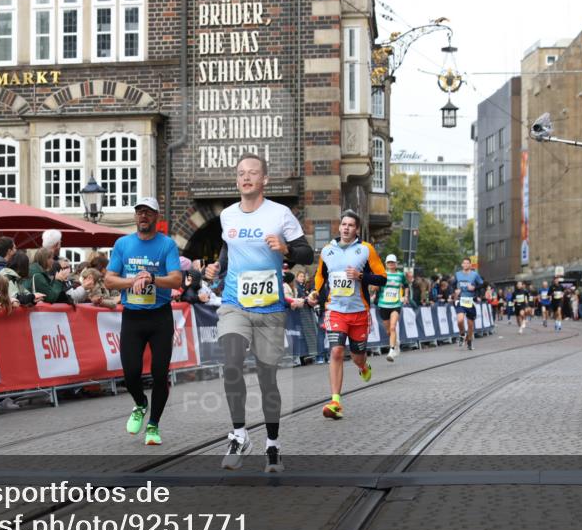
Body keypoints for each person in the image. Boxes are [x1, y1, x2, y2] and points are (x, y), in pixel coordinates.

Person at [203, 153, 314, 472]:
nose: (246, 177)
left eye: (253, 173)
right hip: (235, 303)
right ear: (236, 179)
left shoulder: (280, 214)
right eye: (241, 173)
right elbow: (228, 250)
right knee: (231, 364)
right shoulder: (227, 216)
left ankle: (273, 445)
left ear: (264, 179)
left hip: (270, 308)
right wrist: (216, 268)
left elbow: (307, 253)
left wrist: (286, 249)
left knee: (267, 378)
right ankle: (239, 435)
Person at [104, 197, 182, 446]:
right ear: (135, 216)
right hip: (133, 317)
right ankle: (140, 403)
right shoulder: (123, 244)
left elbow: (176, 280)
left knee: (159, 374)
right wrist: (134, 280)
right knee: (130, 374)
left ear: (156, 216)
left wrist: (152, 279)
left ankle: (153, 425)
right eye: (139, 212)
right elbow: (109, 280)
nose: (143, 216)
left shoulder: (167, 244)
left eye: (148, 212)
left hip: (160, 316)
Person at [310, 212, 386, 420]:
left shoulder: (366, 249)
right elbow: (320, 275)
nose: (346, 228)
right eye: (343, 224)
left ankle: (363, 366)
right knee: (336, 351)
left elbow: (382, 278)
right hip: (335, 310)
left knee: (357, 356)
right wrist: (315, 291)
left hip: (359, 312)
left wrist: (360, 276)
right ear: (339, 226)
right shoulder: (327, 250)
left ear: (356, 229)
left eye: (351, 225)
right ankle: (335, 401)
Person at [376, 254, 404, 362]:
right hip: (383, 305)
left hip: (395, 305)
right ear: (386, 264)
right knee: (388, 331)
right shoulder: (382, 275)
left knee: (393, 327)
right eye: (389, 262)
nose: (391, 264)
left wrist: (405, 295)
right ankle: (396, 343)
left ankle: (391, 351)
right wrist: (374, 286)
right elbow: (375, 288)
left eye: (393, 262)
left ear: (396, 264)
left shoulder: (400, 275)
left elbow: (406, 285)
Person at [453, 257, 484, 350]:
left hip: (470, 301)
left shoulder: (474, 275)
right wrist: (455, 290)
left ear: (470, 265)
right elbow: (452, 284)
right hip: (461, 300)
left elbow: (483, 284)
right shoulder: (458, 274)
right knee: (460, 320)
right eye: (464, 263)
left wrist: (474, 288)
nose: (466, 265)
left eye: (467, 263)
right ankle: (462, 334)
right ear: (462, 265)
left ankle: (469, 341)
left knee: (470, 325)